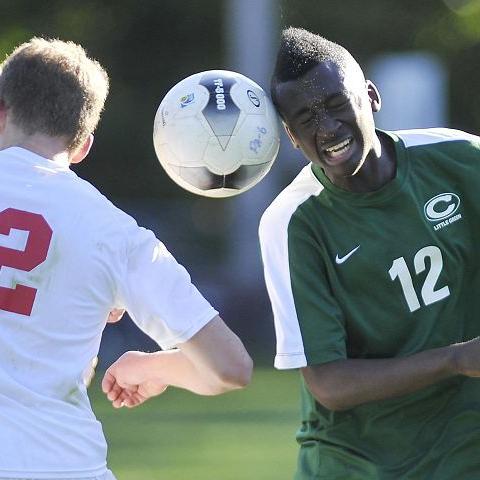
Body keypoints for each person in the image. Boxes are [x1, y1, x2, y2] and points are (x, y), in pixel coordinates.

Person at [0, 37, 252, 480]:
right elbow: (230, 368)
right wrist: (157, 366)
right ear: (83, 148)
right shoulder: (115, 233)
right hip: (60, 465)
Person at [259, 26, 480, 479]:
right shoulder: (292, 222)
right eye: (306, 119)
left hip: (465, 445)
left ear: (371, 96)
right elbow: (329, 383)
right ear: (292, 136)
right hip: (357, 463)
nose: (327, 128)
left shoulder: (461, 158)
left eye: (337, 104)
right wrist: (456, 358)